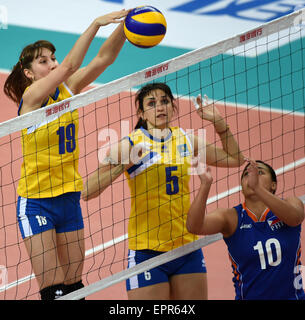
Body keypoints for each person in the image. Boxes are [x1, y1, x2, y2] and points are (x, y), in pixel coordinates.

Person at [3, 9, 128, 300]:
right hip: (37, 203)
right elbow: (71, 65)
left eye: (53, 58)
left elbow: (104, 59)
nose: (53, 64)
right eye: (43, 61)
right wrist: (96, 23)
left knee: (75, 291)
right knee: (56, 293)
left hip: (69, 198)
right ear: (29, 73)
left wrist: (126, 27)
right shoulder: (31, 100)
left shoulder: (66, 90)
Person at [82, 82, 245, 300]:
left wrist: (218, 122)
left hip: (186, 248)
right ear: (141, 112)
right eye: (152, 103)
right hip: (146, 252)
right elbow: (87, 191)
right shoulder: (129, 144)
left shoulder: (186, 139)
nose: (160, 107)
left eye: (165, 101)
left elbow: (236, 159)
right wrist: (125, 164)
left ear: (172, 107)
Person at [187, 159, 305, 300]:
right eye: (246, 174)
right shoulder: (231, 217)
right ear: (242, 187)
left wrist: (258, 189)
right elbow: (194, 226)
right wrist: (205, 185)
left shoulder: (291, 203)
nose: (252, 177)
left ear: (273, 185)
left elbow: (295, 218)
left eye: (259, 172)